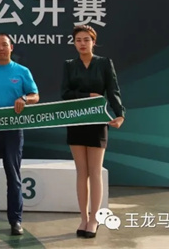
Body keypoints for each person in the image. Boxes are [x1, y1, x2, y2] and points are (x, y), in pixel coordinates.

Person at [61, 25, 125, 239]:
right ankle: (83, 218)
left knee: (95, 171)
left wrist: (120, 114)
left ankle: (95, 219)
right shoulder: (69, 65)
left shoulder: (104, 63)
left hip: (98, 121)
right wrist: (87, 95)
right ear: (74, 43)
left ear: (93, 42)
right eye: (78, 40)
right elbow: (65, 93)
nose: (82, 43)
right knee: (82, 172)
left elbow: (113, 90)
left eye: (86, 40)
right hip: (76, 120)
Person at [0, 33, 39, 236]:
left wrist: (24, 99)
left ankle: (15, 220)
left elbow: (35, 95)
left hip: (13, 131)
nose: (1, 48)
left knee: (14, 176)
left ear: (11, 47)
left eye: (4, 45)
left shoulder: (22, 71)